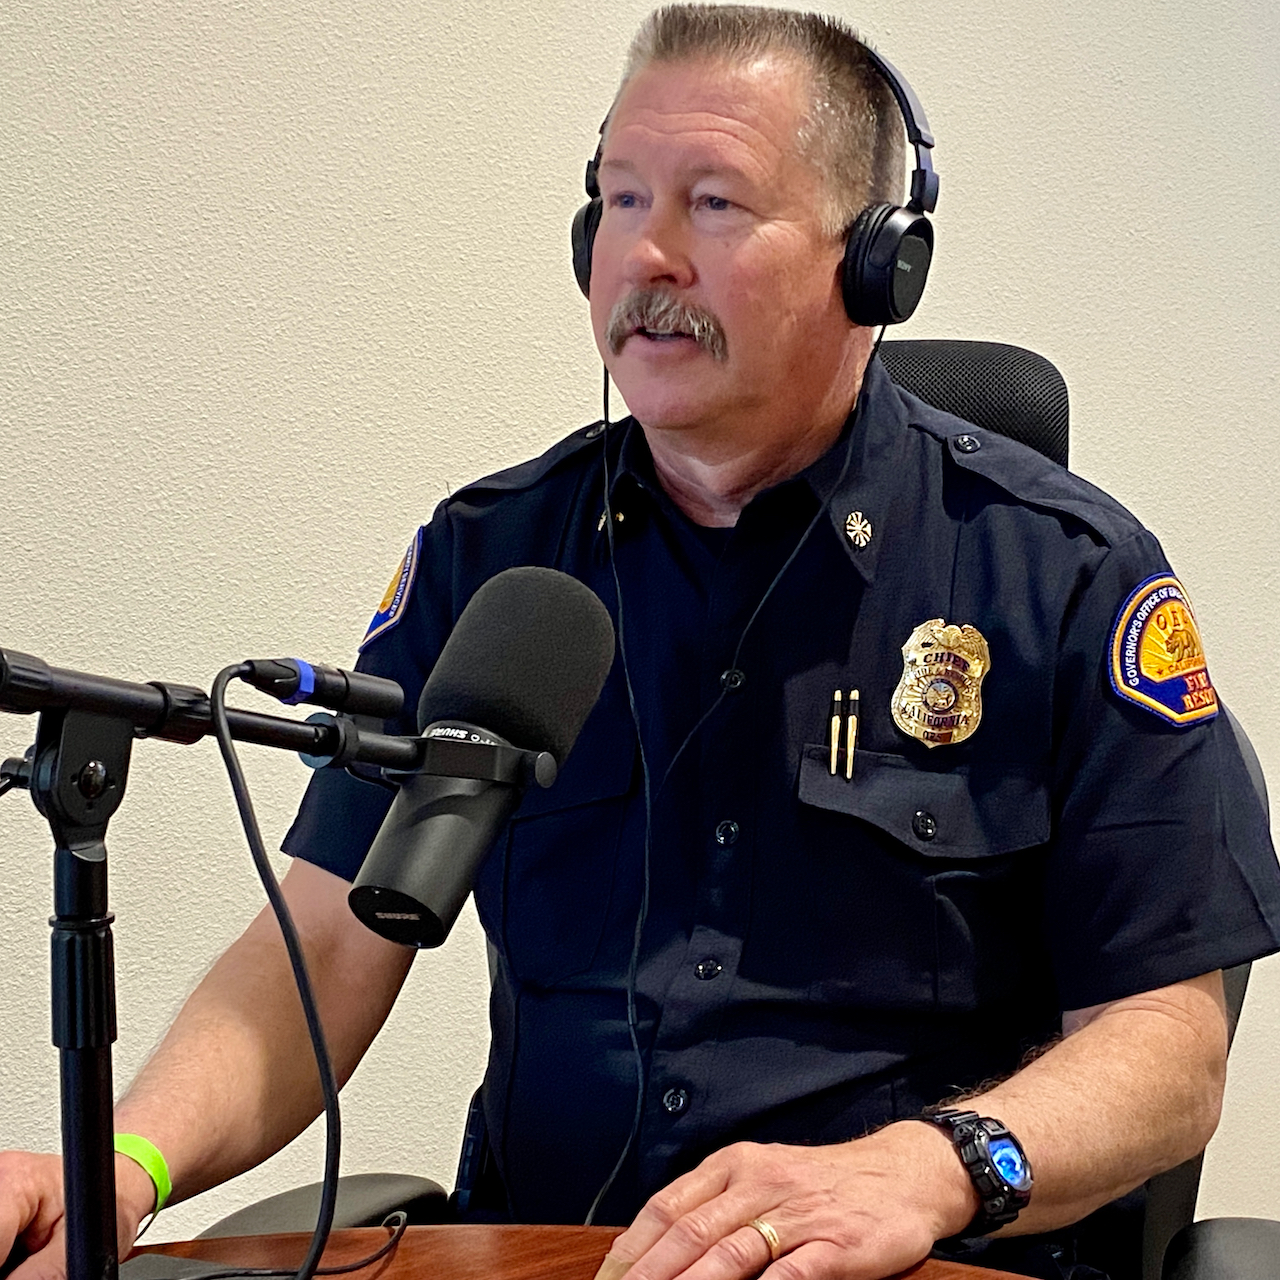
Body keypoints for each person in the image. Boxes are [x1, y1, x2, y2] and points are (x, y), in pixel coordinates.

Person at [3, 7, 1278, 1280]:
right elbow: (326, 946)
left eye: (712, 204)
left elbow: (1168, 1042)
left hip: (917, 1260)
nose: (646, 254)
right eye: (618, 200)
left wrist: (932, 1162)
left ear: (875, 263)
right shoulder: (494, 562)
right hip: (561, 1256)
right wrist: (122, 1163)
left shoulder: (1060, 573)